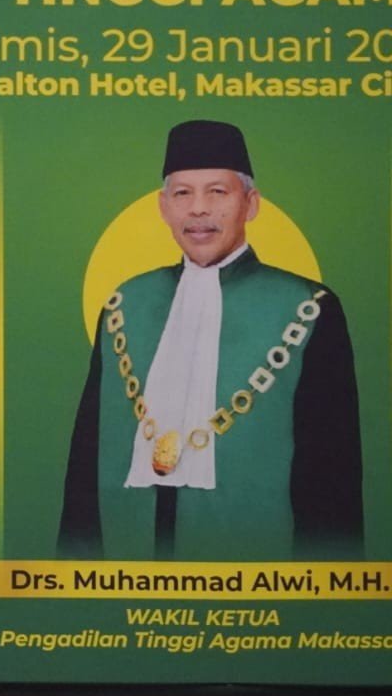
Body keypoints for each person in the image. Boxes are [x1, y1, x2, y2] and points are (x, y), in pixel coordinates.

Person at [59, 120, 362, 561]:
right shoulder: (126, 303)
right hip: (129, 567)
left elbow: (332, 477)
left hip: (257, 572)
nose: (198, 209)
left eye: (218, 192)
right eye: (183, 193)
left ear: (250, 204)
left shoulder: (308, 308)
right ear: (164, 207)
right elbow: (86, 467)